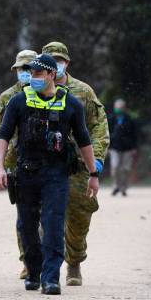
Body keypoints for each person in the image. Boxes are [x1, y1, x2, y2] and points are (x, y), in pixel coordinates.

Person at [0, 54, 99, 295]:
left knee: (53, 225)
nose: (33, 78)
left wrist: (93, 172)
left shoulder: (71, 104)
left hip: (56, 173)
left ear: (52, 74)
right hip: (26, 172)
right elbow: (4, 134)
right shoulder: (19, 101)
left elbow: (84, 140)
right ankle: (33, 271)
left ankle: (51, 278)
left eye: (38, 74)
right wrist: (0, 167)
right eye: (31, 74)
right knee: (27, 226)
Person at [41, 42, 109, 286]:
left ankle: (75, 261)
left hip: (78, 165)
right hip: (44, 165)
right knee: (46, 217)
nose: (56, 64)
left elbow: (98, 127)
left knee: (80, 216)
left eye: (60, 60)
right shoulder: (31, 92)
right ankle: (47, 268)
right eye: (51, 59)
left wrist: (96, 160)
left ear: (66, 63)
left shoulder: (83, 92)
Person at [0, 49, 38, 280]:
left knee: (48, 216)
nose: (25, 73)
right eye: (21, 69)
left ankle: (45, 259)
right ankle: (28, 260)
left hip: (44, 162)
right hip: (16, 163)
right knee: (24, 217)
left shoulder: (51, 92)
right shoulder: (8, 97)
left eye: (29, 68)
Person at [108, 98, 138, 196]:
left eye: (120, 107)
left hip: (127, 148)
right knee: (115, 167)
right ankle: (116, 185)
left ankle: (124, 187)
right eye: (117, 107)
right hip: (114, 147)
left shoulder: (129, 119)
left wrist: (134, 147)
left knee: (126, 168)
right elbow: (106, 133)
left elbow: (134, 134)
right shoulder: (111, 119)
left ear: (124, 108)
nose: (118, 109)